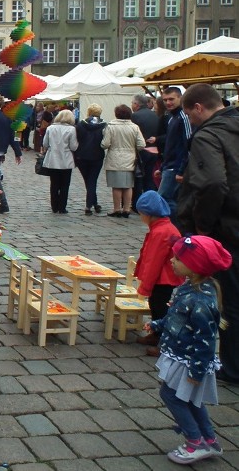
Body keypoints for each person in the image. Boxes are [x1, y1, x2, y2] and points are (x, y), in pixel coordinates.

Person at [146, 235, 232, 464]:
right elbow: (176, 317)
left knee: (171, 395)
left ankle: (194, 441)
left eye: (177, 258)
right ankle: (209, 439)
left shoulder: (201, 300)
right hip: (180, 353)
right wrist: (157, 324)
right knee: (191, 399)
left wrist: (197, 370)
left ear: (194, 266)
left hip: (188, 359)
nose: (172, 261)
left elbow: (205, 340)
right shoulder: (188, 288)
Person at [176, 83, 239, 384]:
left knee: (230, 298)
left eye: (191, 115)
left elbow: (213, 182)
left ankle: (233, 366)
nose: (193, 121)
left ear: (198, 108)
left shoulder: (209, 134)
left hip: (227, 226)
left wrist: (203, 227)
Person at [133, 191, 184, 356]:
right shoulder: (163, 227)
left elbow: (153, 262)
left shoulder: (161, 232)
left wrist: (145, 286)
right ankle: (156, 335)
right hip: (164, 277)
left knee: (159, 307)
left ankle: (163, 340)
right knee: (156, 305)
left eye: (141, 214)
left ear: (148, 214)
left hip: (163, 278)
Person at [151, 87, 191, 223]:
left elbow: (188, 144)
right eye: (165, 100)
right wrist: (162, 167)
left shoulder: (183, 117)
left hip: (176, 166)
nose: (168, 103)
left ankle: (176, 226)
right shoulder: (171, 118)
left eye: (171, 99)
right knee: (169, 198)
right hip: (169, 166)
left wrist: (181, 169)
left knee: (163, 198)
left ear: (180, 98)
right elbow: (170, 145)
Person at [101, 104, 145, 218]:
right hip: (130, 159)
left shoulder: (111, 126)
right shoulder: (135, 127)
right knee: (128, 185)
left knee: (116, 186)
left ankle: (117, 209)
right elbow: (141, 144)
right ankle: (126, 208)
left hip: (114, 159)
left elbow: (105, 144)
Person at [41, 109, 78, 214]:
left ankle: (54, 206)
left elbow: (45, 144)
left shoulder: (50, 128)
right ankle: (62, 207)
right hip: (66, 160)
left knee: (54, 184)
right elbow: (74, 146)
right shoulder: (71, 129)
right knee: (65, 185)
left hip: (53, 159)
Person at [74, 103, 106, 215]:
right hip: (97, 156)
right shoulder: (104, 125)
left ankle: (93, 203)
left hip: (82, 155)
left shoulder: (81, 124)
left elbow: (76, 139)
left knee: (88, 180)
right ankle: (90, 205)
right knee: (92, 180)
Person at [131, 94, 160, 205]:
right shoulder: (155, 115)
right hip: (154, 150)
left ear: (136, 104)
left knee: (138, 177)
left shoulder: (135, 116)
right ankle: (150, 201)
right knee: (150, 177)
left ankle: (137, 202)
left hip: (142, 150)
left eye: (132, 103)